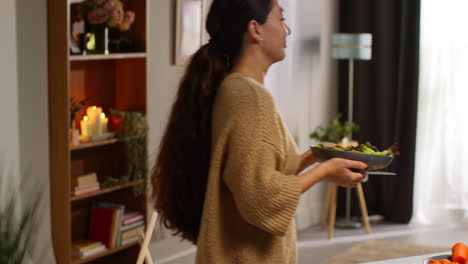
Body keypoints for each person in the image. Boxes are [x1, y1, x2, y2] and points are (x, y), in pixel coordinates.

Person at [151, 0, 367, 263]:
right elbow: (261, 198)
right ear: (255, 29)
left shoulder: (236, 90)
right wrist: (324, 172)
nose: (288, 31)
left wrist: (314, 156)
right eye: (281, 19)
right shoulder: (249, 97)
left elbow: (253, 175)